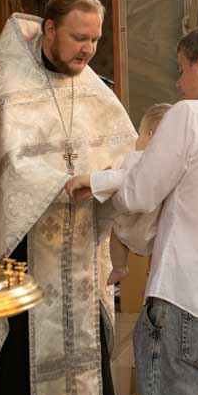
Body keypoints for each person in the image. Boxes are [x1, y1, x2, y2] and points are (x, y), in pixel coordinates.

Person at [68, 23, 198, 395]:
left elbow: (141, 192)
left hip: (183, 302)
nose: (179, 83)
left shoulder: (189, 116)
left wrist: (96, 181)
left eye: (181, 69)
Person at [0, 0, 137, 395]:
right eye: (78, 38)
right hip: (23, 261)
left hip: (80, 262)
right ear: (49, 29)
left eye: (95, 39)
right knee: (19, 371)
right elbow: (5, 168)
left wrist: (105, 181)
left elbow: (126, 152)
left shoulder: (92, 88)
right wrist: (61, 183)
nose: (88, 50)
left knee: (87, 362)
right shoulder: (6, 88)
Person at [68, 102, 172, 284]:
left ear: (150, 135)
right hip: (155, 231)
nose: (137, 141)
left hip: (132, 228)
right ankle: (153, 272)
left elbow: (119, 178)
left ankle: (119, 268)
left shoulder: (140, 158)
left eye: (139, 135)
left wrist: (88, 181)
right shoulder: (171, 164)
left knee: (116, 232)